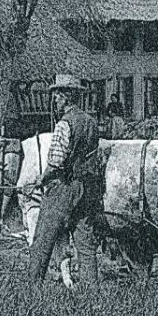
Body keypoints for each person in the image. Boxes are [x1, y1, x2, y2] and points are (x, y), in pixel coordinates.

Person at [25, 74, 106, 288]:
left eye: (57, 96)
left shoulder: (64, 124)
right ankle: (92, 294)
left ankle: (32, 289)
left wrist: (39, 181)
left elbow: (56, 163)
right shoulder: (90, 122)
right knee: (86, 245)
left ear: (65, 97)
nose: (55, 101)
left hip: (63, 187)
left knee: (43, 239)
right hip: (86, 188)